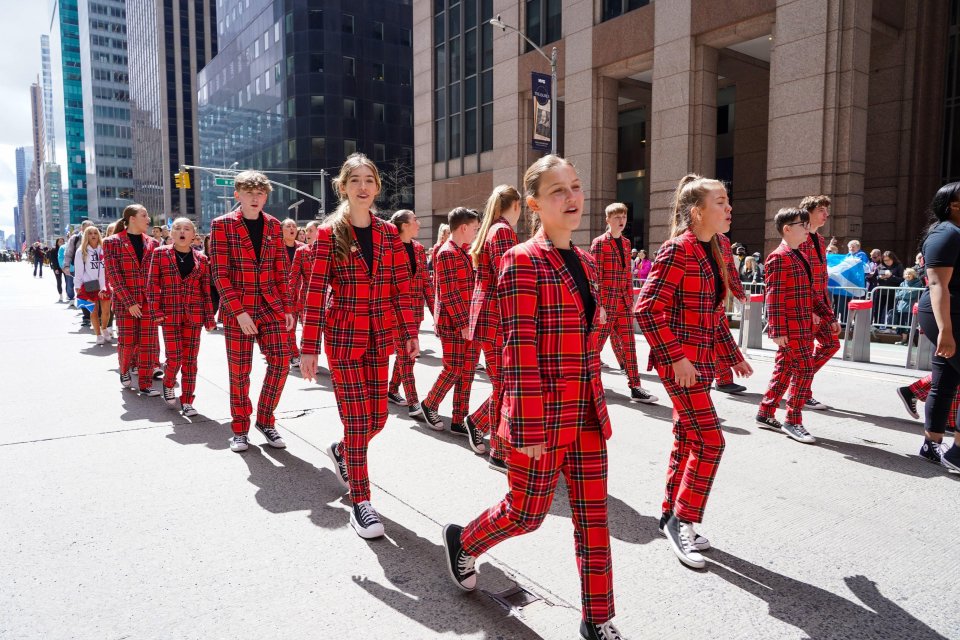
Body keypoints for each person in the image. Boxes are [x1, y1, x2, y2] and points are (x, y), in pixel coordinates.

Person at [441, 155, 627, 640]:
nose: (571, 198)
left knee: (593, 520)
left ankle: (599, 617)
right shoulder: (521, 259)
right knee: (527, 513)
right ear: (534, 205)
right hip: (539, 414)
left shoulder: (587, 261)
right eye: (558, 191)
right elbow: (517, 348)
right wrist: (526, 428)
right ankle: (464, 540)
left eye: (576, 186)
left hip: (586, 411)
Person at [634, 173, 752, 570]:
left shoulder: (715, 247)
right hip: (678, 364)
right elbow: (646, 309)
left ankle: (670, 512)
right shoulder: (676, 250)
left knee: (688, 439)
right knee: (711, 441)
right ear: (697, 211)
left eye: (727, 200)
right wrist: (677, 359)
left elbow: (712, 314)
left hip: (701, 361)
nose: (729, 207)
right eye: (720, 201)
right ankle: (683, 519)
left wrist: (732, 355)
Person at [300, 153, 419, 539]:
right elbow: (316, 291)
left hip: (380, 336)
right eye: (355, 180)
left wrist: (409, 332)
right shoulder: (329, 232)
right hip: (344, 337)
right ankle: (362, 503)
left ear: (377, 187)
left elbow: (403, 287)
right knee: (356, 421)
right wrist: (308, 346)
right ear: (343, 187)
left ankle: (343, 451)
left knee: (378, 419)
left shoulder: (388, 233)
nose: (363, 186)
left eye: (369, 180)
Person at [209, 170, 295, 452]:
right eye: (249, 193)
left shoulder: (273, 225)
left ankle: (266, 419)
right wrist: (239, 312)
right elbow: (220, 274)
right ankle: (240, 429)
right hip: (239, 310)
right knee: (239, 373)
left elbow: (282, 269)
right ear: (238, 196)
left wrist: (288, 307)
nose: (255, 198)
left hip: (271, 306)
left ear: (266, 196)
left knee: (282, 362)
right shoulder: (222, 225)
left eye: (260, 194)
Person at [755, 208, 836, 444]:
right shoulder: (778, 257)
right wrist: (777, 330)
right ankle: (793, 420)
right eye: (803, 224)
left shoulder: (799, 254)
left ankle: (765, 412)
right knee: (804, 370)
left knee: (784, 371)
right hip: (791, 329)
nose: (807, 228)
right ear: (787, 229)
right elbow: (774, 297)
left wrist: (827, 316)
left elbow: (811, 294)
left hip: (801, 326)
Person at [464, 186, 521, 469]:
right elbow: (507, 275)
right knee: (505, 385)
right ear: (516, 206)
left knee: (504, 383)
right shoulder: (502, 231)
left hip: (489, 317)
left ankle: (477, 423)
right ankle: (498, 451)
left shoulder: (494, 229)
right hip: (496, 317)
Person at [146, 218, 216, 417]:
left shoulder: (202, 260)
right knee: (175, 357)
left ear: (194, 235)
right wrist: (156, 311)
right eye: (177, 228)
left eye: (187, 229)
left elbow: (206, 291)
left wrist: (209, 318)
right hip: (169, 315)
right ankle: (168, 384)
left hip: (194, 316)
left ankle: (187, 400)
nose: (182, 232)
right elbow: (152, 286)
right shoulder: (160, 254)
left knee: (191, 360)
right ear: (171, 234)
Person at [913, 182, 960, 472]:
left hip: (951, 313)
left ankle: (932, 444)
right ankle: (956, 455)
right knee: (945, 380)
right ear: (954, 204)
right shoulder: (946, 232)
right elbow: (936, 283)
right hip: (947, 313)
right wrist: (945, 330)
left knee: (944, 381)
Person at [421, 207, 482, 432]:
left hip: (467, 323)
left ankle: (459, 418)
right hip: (454, 323)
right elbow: (449, 293)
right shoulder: (447, 252)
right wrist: (463, 323)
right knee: (454, 369)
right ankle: (429, 404)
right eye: (475, 228)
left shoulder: (463, 250)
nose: (476, 232)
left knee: (467, 370)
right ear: (464, 228)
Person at [591, 202, 657, 404]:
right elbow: (595, 277)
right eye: (617, 217)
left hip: (624, 303)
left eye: (624, 217)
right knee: (594, 347)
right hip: (606, 304)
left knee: (629, 346)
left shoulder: (627, 244)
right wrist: (599, 305)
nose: (621, 221)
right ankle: (587, 383)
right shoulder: (599, 243)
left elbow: (627, 275)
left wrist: (630, 301)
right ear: (608, 220)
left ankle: (635, 386)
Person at [103, 205, 161, 394]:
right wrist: (129, 302)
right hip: (125, 303)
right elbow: (114, 275)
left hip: (148, 303)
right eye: (144, 215)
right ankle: (125, 369)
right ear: (132, 218)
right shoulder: (112, 242)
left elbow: (157, 275)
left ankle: (145, 384)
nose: (148, 219)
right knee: (127, 343)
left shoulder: (153, 243)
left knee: (147, 344)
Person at [386, 210, 433, 419]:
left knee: (408, 356)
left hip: (414, 311)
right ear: (404, 225)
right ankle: (414, 402)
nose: (419, 223)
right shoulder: (389, 247)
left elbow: (425, 282)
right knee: (406, 354)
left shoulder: (419, 249)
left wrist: (435, 311)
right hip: (394, 309)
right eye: (415, 219)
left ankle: (392, 388)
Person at [797, 195, 842, 411]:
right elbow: (801, 277)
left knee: (831, 344)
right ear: (809, 212)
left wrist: (826, 309)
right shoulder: (800, 237)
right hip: (806, 304)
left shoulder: (820, 240)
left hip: (821, 302)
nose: (826, 215)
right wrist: (809, 308)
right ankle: (801, 391)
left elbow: (820, 276)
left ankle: (799, 385)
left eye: (826, 211)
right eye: (821, 210)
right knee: (802, 353)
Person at [74, 226, 111, 346]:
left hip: (104, 285)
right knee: (93, 311)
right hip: (89, 285)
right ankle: (98, 335)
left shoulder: (104, 249)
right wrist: (78, 286)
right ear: (86, 236)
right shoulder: (81, 251)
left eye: (95, 233)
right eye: (90, 233)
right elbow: (79, 271)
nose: (93, 235)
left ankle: (104, 328)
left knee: (106, 311)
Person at [290, 220, 320, 353]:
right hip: (307, 295)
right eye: (306, 230)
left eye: (310, 230)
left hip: (328, 296)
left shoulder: (330, 249)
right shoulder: (301, 251)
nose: (307, 233)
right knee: (308, 329)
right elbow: (294, 276)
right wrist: (288, 297)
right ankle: (306, 356)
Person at [281, 218, 305, 368]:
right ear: (281, 230)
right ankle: (294, 355)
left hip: (302, 293)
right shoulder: (275, 248)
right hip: (284, 293)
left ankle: (304, 352)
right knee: (289, 326)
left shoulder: (303, 248)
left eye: (294, 226)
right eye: (288, 226)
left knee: (307, 326)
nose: (292, 228)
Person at [64, 220, 94, 324]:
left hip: (93, 270)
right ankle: (86, 316)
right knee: (82, 292)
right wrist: (66, 266)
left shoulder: (97, 237)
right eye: (87, 227)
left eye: (91, 227)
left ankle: (93, 315)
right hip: (80, 270)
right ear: (82, 228)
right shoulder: (75, 238)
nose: (90, 230)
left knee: (93, 292)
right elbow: (68, 253)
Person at [892, 268, 925, 343]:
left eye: (909, 274)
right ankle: (903, 340)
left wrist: (903, 293)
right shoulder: (902, 283)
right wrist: (906, 292)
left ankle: (911, 342)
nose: (907, 275)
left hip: (910, 307)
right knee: (902, 324)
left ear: (913, 275)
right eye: (906, 274)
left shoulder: (918, 283)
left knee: (909, 324)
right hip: (901, 307)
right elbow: (897, 294)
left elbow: (911, 294)